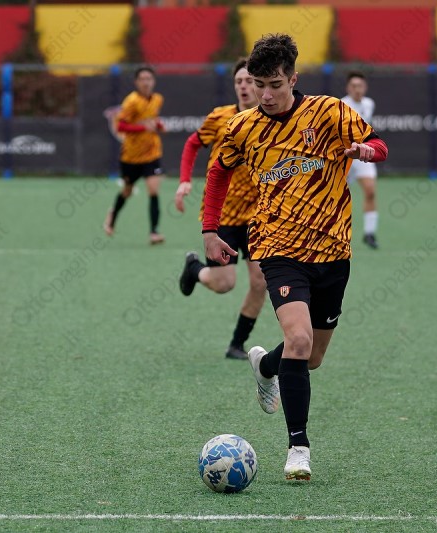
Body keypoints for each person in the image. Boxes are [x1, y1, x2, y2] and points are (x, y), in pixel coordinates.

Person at [201, 34, 388, 481]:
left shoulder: (329, 112)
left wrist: (367, 151)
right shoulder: (243, 127)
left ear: (293, 79)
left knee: (311, 356)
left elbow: (378, 144)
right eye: (258, 85)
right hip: (277, 248)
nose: (265, 95)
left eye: (275, 85)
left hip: (333, 250)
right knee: (299, 342)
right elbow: (218, 172)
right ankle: (298, 449)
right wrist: (210, 230)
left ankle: (265, 365)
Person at [175, 59, 266, 361]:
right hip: (223, 213)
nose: (244, 86)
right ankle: (194, 269)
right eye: (239, 81)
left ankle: (236, 344)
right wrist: (185, 180)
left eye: (249, 80)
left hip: (257, 216)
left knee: (261, 282)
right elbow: (192, 144)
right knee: (224, 284)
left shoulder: (271, 122)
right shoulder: (221, 117)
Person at [104, 66, 166, 245]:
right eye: (142, 79)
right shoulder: (131, 102)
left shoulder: (157, 99)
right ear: (136, 82)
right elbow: (120, 126)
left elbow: (153, 119)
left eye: (149, 79)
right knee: (127, 191)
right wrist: (142, 128)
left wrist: (159, 126)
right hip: (131, 156)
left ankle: (154, 232)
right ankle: (112, 215)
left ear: (153, 81)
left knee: (153, 190)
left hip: (152, 153)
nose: (146, 82)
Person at [341, 71, 380, 249]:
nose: (357, 89)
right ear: (348, 88)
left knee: (370, 191)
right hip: (346, 155)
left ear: (365, 87)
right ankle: (336, 231)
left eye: (360, 86)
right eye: (354, 86)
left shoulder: (369, 103)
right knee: (337, 196)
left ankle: (369, 233)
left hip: (363, 155)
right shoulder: (341, 105)